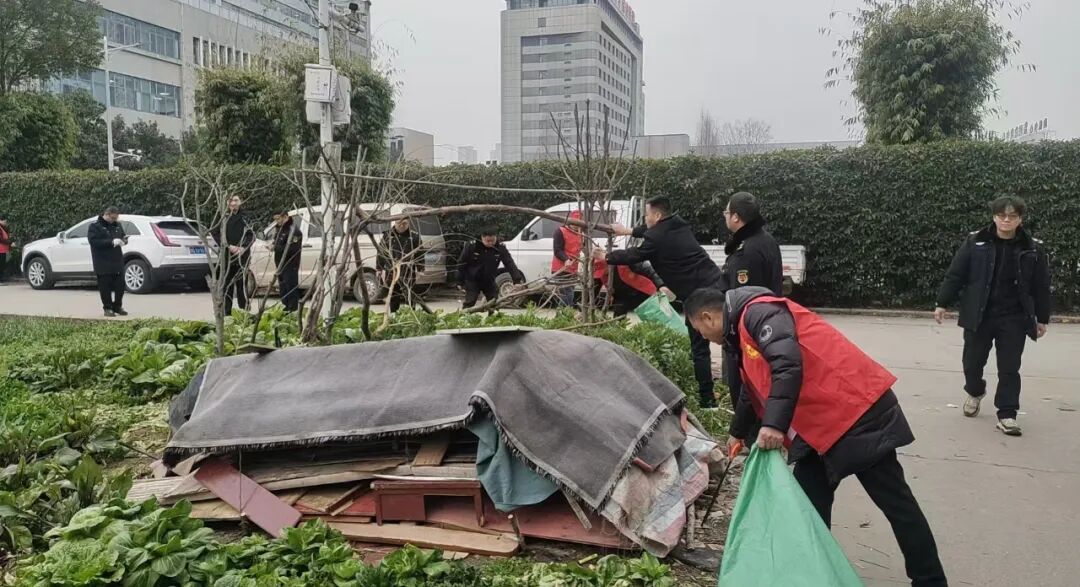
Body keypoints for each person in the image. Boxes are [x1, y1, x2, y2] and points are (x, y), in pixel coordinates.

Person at [685, 286, 947, 587]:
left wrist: (774, 426)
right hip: (821, 426)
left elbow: (787, 365)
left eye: (700, 331)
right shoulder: (740, 333)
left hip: (857, 412)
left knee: (896, 504)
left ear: (708, 317)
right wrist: (738, 433)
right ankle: (815, 576)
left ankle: (930, 581)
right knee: (806, 507)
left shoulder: (759, 313)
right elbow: (752, 385)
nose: (705, 338)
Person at [934, 196, 1051, 437]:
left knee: (1009, 368)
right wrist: (942, 303)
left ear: (1020, 219)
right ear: (994, 217)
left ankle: (1007, 414)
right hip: (979, 315)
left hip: (1014, 317)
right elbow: (956, 274)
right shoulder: (975, 242)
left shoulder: (1032, 248)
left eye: (1012, 216)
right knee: (972, 364)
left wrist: (1042, 318)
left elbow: (1041, 285)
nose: (1006, 220)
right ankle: (975, 391)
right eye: (1001, 215)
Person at [606, 196, 724, 408]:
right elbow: (649, 230)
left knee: (700, 348)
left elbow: (635, 255)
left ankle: (708, 400)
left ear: (658, 216)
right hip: (715, 282)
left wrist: (606, 257)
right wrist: (628, 231)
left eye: (647, 215)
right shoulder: (677, 224)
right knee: (727, 340)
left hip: (700, 295)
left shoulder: (657, 237)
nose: (645, 218)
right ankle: (719, 392)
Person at [719, 191, 785, 424]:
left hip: (749, 335)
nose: (725, 216)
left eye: (726, 212)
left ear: (736, 217)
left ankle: (747, 437)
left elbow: (742, 299)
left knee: (746, 391)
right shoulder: (766, 240)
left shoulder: (746, 251)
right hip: (770, 326)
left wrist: (732, 338)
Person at [459, 226, 525, 309]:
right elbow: (462, 263)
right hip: (472, 279)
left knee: (493, 302)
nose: (490, 243)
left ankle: (493, 316)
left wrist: (517, 280)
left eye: (493, 241)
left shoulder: (500, 247)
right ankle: (464, 316)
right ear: (482, 238)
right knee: (470, 301)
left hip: (489, 280)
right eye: (488, 241)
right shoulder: (472, 246)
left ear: (496, 237)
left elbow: (509, 263)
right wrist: (459, 281)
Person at [592, 255, 671, 317]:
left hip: (642, 292)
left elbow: (649, 270)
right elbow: (594, 289)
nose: (603, 274)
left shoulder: (626, 262)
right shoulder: (600, 275)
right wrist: (590, 305)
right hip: (622, 296)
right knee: (618, 313)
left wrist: (661, 285)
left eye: (603, 270)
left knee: (651, 314)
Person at [88, 207, 128, 317]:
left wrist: (124, 241)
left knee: (120, 286)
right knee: (105, 287)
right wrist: (111, 242)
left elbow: (123, 236)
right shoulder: (95, 226)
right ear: (107, 214)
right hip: (102, 261)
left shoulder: (117, 225)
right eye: (113, 218)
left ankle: (117, 306)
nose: (114, 220)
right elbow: (94, 242)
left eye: (116, 218)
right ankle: (108, 307)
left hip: (117, 260)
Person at [378, 218, 425, 313]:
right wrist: (379, 268)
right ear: (395, 223)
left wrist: (420, 269)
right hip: (392, 271)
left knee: (409, 294)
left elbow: (420, 254)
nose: (402, 226)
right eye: (399, 223)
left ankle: (410, 314)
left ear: (408, 224)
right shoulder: (388, 236)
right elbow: (381, 253)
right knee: (393, 295)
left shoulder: (414, 237)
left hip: (408, 270)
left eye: (405, 223)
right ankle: (393, 313)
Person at [219, 195, 255, 315]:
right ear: (227, 203)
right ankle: (226, 313)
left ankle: (244, 312)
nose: (233, 203)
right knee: (227, 286)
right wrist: (228, 246)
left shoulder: (246, 217)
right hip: (227, 256)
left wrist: (243, 247)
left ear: (240, 202)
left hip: (242, 256)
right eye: (231, 201)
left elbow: (252, 235)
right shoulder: (222, 217)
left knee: (242, 285)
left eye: (236, 200)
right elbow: (216, 233)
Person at [272, 211, 303, 313]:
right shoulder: (279, 229)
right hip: (280, 264)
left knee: (291, 288)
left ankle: (292, 310)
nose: (277, 221)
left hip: (290, 264)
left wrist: (275, 248)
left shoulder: (294, 231)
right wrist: (273, 245)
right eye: (275, 219)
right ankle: (285, 308)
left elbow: (292, 249)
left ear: (285, 217)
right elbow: (277, 242)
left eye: (278, 218)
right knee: (283, 288)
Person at [0, 215, 12, 286]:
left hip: (3, 250)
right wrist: (10, 242)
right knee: (1, 265)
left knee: (2, 265)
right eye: (4, 221)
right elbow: (1, 239)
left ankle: (2, 279)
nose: (5, 222)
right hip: (0, 249)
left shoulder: (3, 228)